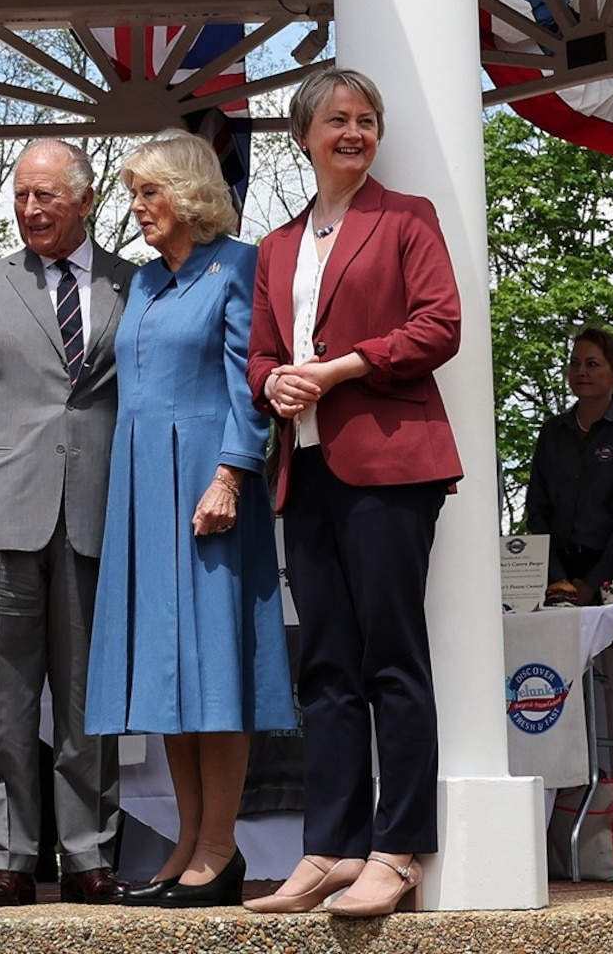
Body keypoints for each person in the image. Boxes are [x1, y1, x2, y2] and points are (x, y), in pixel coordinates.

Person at [243, 69, 462, 922]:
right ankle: (327, 849)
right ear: (304, 135)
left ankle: (397, 849)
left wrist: (338, 368)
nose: (354, 132)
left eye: (367, 120)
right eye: (337, 120)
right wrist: (277, 387)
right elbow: (262, 355)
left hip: (391, 465)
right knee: (326, 665)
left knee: (391, 657)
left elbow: (439, 325)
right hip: (306, 470)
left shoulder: (407, 218)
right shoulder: (276, 246)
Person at [0, 138, 133, 908]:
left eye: (45, 196)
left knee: (88, 700)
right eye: (20, 195)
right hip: (3, 518)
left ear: (84, 200)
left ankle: (87, 858)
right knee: (0, 699)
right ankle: (7, 858)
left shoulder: (131, 285)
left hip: (97, 517)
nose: (29, 209)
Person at [89, 132, 292, 910]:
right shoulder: (143, 284)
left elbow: (251, 384)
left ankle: (221, 845)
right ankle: (187, 838)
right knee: (167, 674)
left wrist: (231, 475)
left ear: (190, 194)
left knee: (214, 669)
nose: (137, 207)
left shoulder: (239, 266)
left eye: (150, 193)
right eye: (134, 193)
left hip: (210, 485)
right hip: (143, 489)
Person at [525, 327, 613, 605]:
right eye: (575, 364)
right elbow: (537, 510)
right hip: (557, 572)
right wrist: (558, 578)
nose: (581, 372)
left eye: (592, 364)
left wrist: (593, 582)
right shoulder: (552, 432)